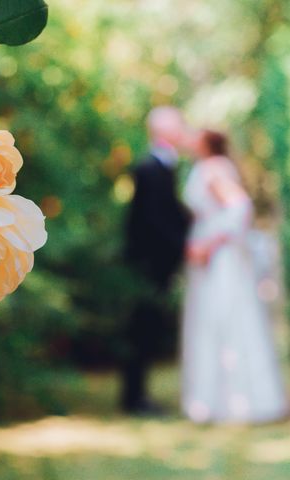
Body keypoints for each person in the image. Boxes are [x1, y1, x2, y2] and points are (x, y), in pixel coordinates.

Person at [181, 129, 288, 424]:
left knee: (223, 319)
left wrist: (210, 243)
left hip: (220, 258)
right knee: (212, 321)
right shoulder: (211, 168)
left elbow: (240, 207)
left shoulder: (212, 169)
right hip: (214, 255)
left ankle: (234, 403)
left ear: (205, 143)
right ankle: (218, 402)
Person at [122, 106, 191, 414]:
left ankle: (138, 395)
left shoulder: (165, 166)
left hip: (157, 264)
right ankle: (134, 398)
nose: (183, 130)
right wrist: (184, 245)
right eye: (179, 126)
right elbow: (152, 220)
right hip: (147, 265)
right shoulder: (149, 168)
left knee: (148, 329)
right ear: (164, 132)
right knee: (141, 328)